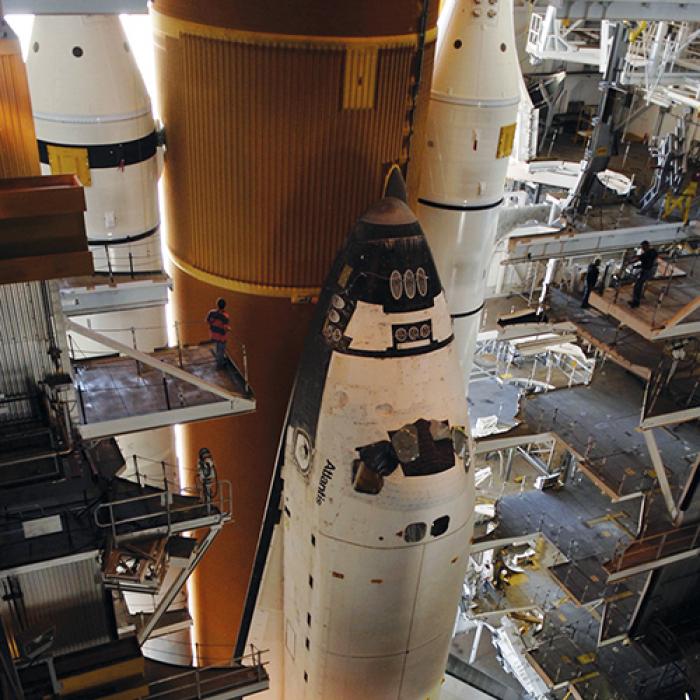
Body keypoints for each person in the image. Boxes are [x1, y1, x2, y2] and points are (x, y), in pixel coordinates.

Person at [629, 241, 658, 308]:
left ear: (646, 246)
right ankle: (636, 301)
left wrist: (629, 261)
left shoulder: (646, 254)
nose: (642, 248)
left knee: (638, 286)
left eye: (643, 247)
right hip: (650, 271)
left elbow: (638, 258)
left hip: (646, 271)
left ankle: (636, 302)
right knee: (639, 285)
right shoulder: (653, 252)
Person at [206, 298, 230, 368]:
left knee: (217, 348)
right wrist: (229, 329)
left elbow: (207, 321)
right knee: (221, 350)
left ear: (217, 304)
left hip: (213, 334)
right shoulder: (225, 316)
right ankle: (220, 365)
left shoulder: (211, 312)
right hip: (221, 336)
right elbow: (225, 327)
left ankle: (219, 360)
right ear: (225, 306)